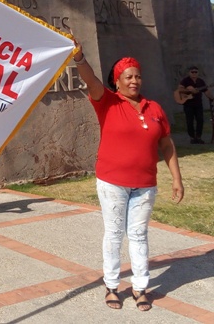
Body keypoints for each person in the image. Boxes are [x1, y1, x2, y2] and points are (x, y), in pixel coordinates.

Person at [73, 45, 184, 312]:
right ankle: (112, 285)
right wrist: (79, 58)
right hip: (112, 182)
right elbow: (91, 80)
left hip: (145, 185)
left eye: (138, 76)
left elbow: (166, 144)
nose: (135, 81)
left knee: (138, 234)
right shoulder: (107, 101)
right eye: (129, 76)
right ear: (117, 81)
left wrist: (177, 179)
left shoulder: (154, 108)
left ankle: (140, 287)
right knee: (114, 234)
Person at [177, 66, 213, 144]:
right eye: (192, 72)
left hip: (198, 104)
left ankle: (198, 137)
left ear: (198, 73)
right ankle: (192, 138)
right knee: (189, 121)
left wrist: (212, 98)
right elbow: (180, 89)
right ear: (189, 73)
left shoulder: (201, 81)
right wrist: (189, 90)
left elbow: (206, 91)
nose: (194, 73)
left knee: (200, 120)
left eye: (195, 72)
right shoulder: (185, 80)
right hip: (188, 104)